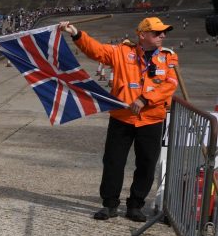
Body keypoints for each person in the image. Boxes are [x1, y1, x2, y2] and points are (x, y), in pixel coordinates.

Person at [59, 17, 179, 222]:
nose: (162, 36)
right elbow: (96, 50)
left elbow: (169, 84)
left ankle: (135, 206)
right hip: (122, 117)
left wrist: (144, 99)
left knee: (147, 164)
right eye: (157, 33)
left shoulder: (168, 57)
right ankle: (109, 205)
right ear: (142, 35)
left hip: (151, 119)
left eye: (163, 33)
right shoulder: (122, 52)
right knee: (113, 161)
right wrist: (76, 33)